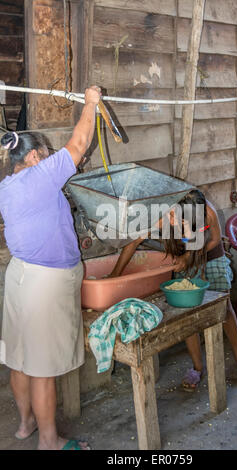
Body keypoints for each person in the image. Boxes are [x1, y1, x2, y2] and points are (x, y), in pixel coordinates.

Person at [0, 85, 102, 450]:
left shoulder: (9, 186)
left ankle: (26, 424)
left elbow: (44, 224)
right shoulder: (39, 177)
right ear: (32, 158)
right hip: (45, 284)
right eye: (45, 153)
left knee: (20, 359)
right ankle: (49, 441)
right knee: (42, 370)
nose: (50, 158)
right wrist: (90, 102)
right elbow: (78, 144)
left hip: (21, 276)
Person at [109, 189, 237, 389]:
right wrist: (114, 275)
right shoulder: (162, 215)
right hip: (183, 262)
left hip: (211, 258)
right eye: (172, 216)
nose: (172, 221)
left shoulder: (207, 212)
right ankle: (197, 367)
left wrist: (190, 256)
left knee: (224, 308)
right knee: (186, 314)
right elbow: (134, 241)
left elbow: (213, 239)